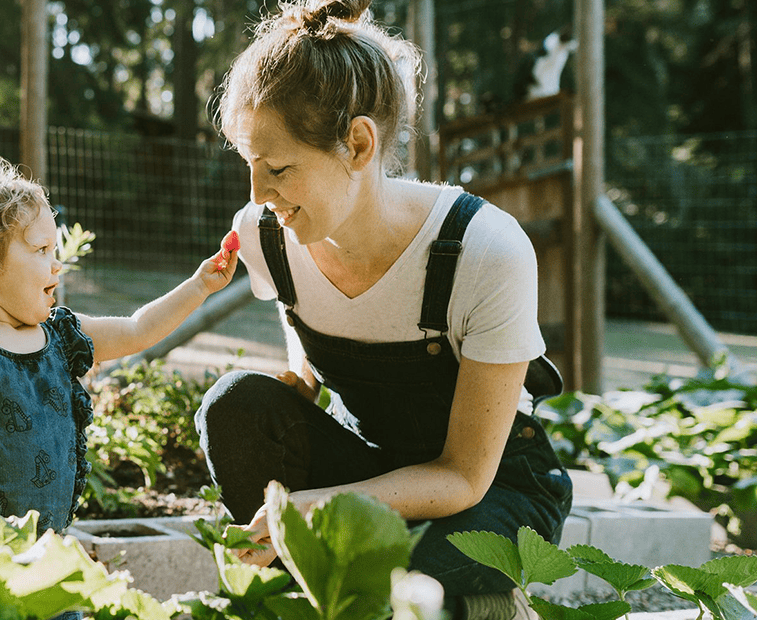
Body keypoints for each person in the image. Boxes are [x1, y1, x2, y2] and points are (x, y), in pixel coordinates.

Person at [194, 0, 572, 617]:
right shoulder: (267, 236)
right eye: (249, 166)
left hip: (487, 496)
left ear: (359, 143)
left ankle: (474, 601)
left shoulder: (485, 250)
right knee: (234, 405)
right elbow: (307, 337)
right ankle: (319, 583)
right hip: (371, 464)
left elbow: (463, 477)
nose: (259, 195)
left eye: (279, 168)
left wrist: (332, 507)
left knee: (398, 553)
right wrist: (301, 387)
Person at [0, 151, 238, 620]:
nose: (57, 264)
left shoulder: (61, 336)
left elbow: (135, 330)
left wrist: (198, 287)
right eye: (41, 250)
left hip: (49, 551)